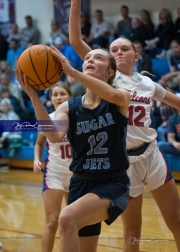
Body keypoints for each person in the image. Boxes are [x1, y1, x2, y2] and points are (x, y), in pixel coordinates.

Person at [68, 1, 180, 251]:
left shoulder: (149, 85)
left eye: (124, 49)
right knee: (132, 233)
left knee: (176, 220)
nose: (118, 52)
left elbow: (177, 102)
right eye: (113, 49)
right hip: (123, 163)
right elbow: (76, 41)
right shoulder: (109, 78)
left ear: (136, 55)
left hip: (152, 155)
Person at [16, 44, 130, 252]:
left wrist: (72, 71)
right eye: (87, 57)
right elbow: (52, 136)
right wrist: (33, 96)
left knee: (66, 217)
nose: (90, 60)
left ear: (110, 72)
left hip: (113, 182)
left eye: (98, 58)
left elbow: (112, 96)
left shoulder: (121, 96)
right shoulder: (68, 107)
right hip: (80, 182)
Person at [34, 82, 73, 252]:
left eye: (62, 94)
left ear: (70, 97)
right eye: (55, 94)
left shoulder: (79, 118)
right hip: (54, 174)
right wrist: (36, 159)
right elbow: (39, 143)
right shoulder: (47, 119)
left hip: (77, 175)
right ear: (51, 99)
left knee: (72, 222)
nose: (58, 97)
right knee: (51, 221)